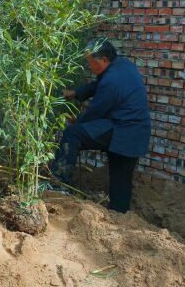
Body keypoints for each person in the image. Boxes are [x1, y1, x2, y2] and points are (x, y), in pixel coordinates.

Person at [51, 39, 151, 213]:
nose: (90, 67)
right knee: (121, 180)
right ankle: (119, 214)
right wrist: (77, 93)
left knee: (72, 134)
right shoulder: (122, 65)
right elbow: (98, 84)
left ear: (104, 60)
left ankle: (57, 185)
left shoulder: (111, 82)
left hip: (123, 132)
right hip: (136, 131)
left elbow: (94, 113)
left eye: (91, 62)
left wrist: (76, 119)